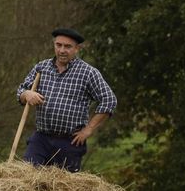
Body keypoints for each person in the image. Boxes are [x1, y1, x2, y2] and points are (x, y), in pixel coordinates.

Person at [17, 27, 117, 172]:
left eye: (67, 46)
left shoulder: (88, 73)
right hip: (41, 138)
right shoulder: (41, 68)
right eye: (59, 45)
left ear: (77, 49)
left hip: (69, 142)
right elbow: (21, 90)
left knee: (63, 190)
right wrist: (26, 94)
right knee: (25, 177)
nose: (62, 50)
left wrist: (88, 130)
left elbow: (109, 100)